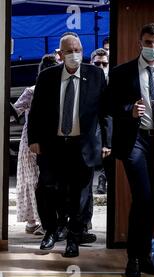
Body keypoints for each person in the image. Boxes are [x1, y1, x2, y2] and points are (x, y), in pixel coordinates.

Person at [109, 23, 154, 277]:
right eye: (148, 43)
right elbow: (109, 106)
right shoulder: (122, 73)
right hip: (135, 140)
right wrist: (129, 110)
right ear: (140, 43)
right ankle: (133, 259)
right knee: (143, 197)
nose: (152, 47)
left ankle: (147, 255)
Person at [28, 34, 110, 257]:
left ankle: (73, 239)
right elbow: (35, 111)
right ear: (61, 54)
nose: (75, 54)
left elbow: (105, 112)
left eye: (78, 49)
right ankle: (51, 231)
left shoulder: (95, 75)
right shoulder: (47, 77)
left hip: (82, 146)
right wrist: (33, 139)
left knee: (79, 195)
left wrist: (107, 142)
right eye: (70, 50)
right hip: (52, 145)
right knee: (46, 190)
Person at [13, 54, 58, 236]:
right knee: (40, 180)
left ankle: (34, 221)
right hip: (41, 139)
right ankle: (39, 221)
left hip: (30, 138)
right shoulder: (37, 91)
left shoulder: (32, 90)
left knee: (32, 180)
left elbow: (15, 110)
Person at [90, 48, 111, 196]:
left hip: (106, 130)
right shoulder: (85, 81)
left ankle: (103, 179)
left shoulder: (112, 83)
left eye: (104, 64)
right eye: (97, 64)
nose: (101, 68)